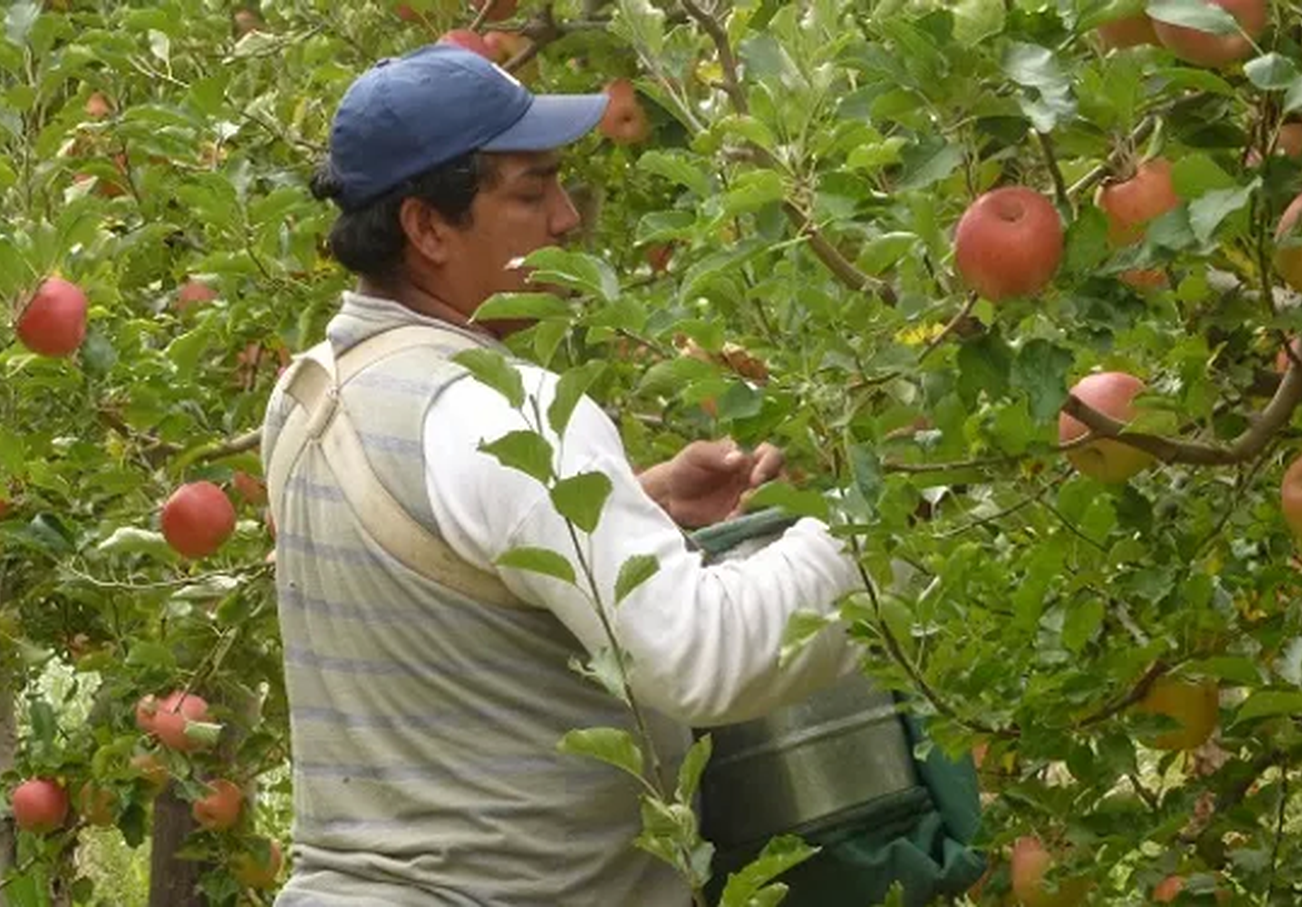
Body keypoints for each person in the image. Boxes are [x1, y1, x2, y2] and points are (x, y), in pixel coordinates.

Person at [262, 44, 861, 907]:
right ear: (427, 227)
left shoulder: (310, 391)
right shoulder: (508, 414)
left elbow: (443, 573)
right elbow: (706, 658)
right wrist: (870, 517)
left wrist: (639, 504)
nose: (568, 218)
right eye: (531, 191)